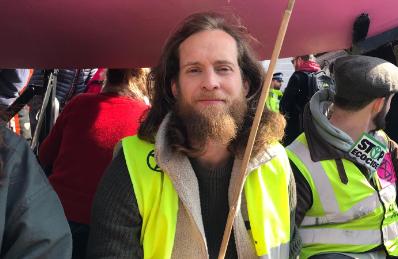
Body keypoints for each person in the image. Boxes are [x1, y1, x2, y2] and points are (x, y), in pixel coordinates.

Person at [87, 12, 300, 259]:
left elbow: (291, 249)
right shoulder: (131, 167)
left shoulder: (276, 162)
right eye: (194, 70)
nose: (210, 82)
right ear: (174, 87)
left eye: (223, 68)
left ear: (246, 84)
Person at [286, 55, 398, 258]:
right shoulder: (297, 162)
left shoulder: (376, 141)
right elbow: (281, 246)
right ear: (378, 104)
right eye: (391, 101)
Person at [39, 69, 150, 259]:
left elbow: (44, 155)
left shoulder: (78, 104)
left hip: (57, 214)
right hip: (110, 227)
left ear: (105, 78)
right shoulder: (147, 118)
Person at [0, 125, 72, 258]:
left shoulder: (10, 152)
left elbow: (45, 153)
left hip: (61, 206)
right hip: (58, 210)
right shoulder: (11, 151)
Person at [280, 54, 321, 146]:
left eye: (292, 61)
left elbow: (285, 102)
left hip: (296, 123)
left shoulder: (297, 76)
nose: (293, 64)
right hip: (315, 123)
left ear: (299, 60)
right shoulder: (320, 75)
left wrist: (282, 111)